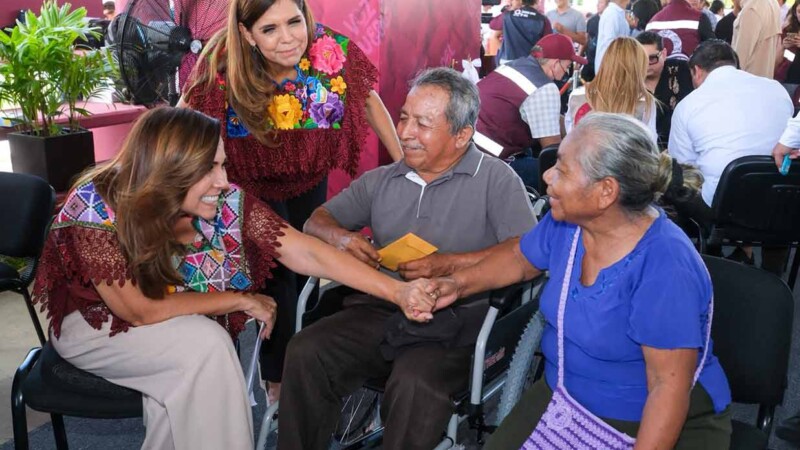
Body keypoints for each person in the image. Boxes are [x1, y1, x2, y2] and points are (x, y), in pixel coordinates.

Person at [31, 107, 433, 449]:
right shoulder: (94, 208)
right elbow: (138, 310)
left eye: (222, 164)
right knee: (205, 346)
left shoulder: (224, 201)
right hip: (95, 324)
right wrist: (240, 300)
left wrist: (396, 290)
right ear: (171, 170)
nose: (223, 181)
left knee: (192, 364)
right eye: (210, 168)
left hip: (174, 319)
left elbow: (306, 251)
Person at [427, 113, 732, 449]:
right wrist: (458, 284)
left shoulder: (665, 266)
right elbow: (519, 259)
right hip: (566, 392)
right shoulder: (569, 224)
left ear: (605, 192)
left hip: (649, 414)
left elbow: (666, 387)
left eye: (562, 169)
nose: (546, 176)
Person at [277, 68, 537, 450]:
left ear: (462, 135)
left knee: (415, 383)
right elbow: (316, 220)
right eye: (403, 117)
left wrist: (449, 264)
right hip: (382, 306)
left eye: (423, 123)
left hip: (458, 319)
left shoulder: (496, 180)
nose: (404, 132)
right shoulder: (383, 180)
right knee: (306, 350)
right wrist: (344, 238)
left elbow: (526, 252)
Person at [180, 0, 403, 403]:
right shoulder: (222, 58)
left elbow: (369, 99)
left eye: (294, 22)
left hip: (306, 174)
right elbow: (183, 118)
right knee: (279, 276)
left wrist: (405, 165)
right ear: (247, 33)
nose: (287, 38)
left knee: (307, 279)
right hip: (251, 180)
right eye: (269, 29)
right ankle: (278, 381)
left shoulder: (331, 49)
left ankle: (307, 354)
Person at [669, 40, 792, 213]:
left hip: (722, 208)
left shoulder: (688, 105)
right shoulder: (777, 89)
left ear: (696, 71)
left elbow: (683, 168)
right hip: (783, 201)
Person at [475, 34, 587, 189]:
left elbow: (547, 116)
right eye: (567, 67)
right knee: (572, 177)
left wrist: (577, 128)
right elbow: (552, 151)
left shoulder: (512, 66)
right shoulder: (544, 88)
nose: (566, 72)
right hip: (493, 162)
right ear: (555, 64)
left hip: (470, 149)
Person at [565, 37, 658, 141]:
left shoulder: (577, 95)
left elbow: (570, 137)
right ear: (639, 68)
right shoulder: (645, 103)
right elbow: (650, 145)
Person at [636, 31, 695, 147]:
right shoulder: (629, 80)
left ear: (663, 54)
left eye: (652, 58)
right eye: (640, 58)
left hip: (683, 144)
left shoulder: (683, 70)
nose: (646, 63)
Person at [646, 0, 716, 58]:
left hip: (658, 73)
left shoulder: (652, 21)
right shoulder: (699, 18)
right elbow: (714, 49)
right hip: (690, 72)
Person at [490, 0, 554, 64]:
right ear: (537, 1)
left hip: (508, 61)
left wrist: (510, 9)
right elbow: (548, 43)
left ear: (521, 1)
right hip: (530, 62)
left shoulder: (508, 15)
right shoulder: (542, 19)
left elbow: (493, 24)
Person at [732, 0, 782, 78]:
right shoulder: (773, 3)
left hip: (746, 82)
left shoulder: (752, 8)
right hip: (763, 81)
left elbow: (740, 59)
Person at [596, 0, 637, 72]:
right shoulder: (612, 14)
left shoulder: (619, 13)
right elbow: (610, 45)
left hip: (615, 68)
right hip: (610, 70)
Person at [581, 0, 609, 81]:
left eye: (601, 2)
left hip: (605, 62)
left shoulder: (612, 20)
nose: (597, 5)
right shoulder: (592, 20)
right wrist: (580, 57)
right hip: (591, 60)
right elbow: (586, 39)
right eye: (598, 2)